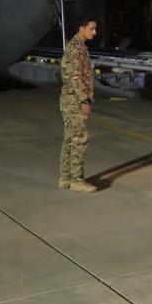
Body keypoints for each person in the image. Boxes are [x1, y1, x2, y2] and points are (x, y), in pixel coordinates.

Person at [59, 17, 98, 193]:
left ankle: (65, 178)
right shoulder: (76, 49)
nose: (94, 32)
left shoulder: (77, 46)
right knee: (80, 139)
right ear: (81, 28)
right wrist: (84, 100)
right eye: (92, 28)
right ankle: (76, 179)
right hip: (75, 101)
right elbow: (75, 77)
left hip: (69, 100)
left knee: (69, 139)